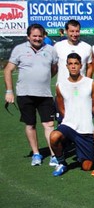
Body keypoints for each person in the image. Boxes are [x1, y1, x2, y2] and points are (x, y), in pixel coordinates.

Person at [4, 24, 59, 166]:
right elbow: (8, 70)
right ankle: (36, 154)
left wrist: (43, 79)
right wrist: (9, 91)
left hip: (45, 94)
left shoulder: (50, 50)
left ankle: (54, 155)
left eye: (40, 36)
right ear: (28, 36)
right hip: (24, 94)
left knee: (49, 124)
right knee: (30, 124)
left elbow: (54, 68)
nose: (37, 38)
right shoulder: (19, 49)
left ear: (44, 36)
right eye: (34, 36)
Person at [49, 53, 94, 176]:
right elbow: (60, 106)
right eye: (70, 64)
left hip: (85, 129)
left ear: (81, 66)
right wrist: (70, 117)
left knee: (87, 167)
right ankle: (62, 163)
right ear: (66, 66)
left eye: (76, 64)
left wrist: (85, 116)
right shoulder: (60, 85)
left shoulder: (90, 83)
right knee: (54, 136)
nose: (73, 66)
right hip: (68, 125)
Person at [54, 19, 93, 85]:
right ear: (66, 31)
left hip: (81, 87)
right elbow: (53, 66)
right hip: (62, 87)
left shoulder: (87, 47)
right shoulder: (58, 46)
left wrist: (87, 83)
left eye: (77, 31)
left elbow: (89, 67)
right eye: (72, 31)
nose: (74, 34)